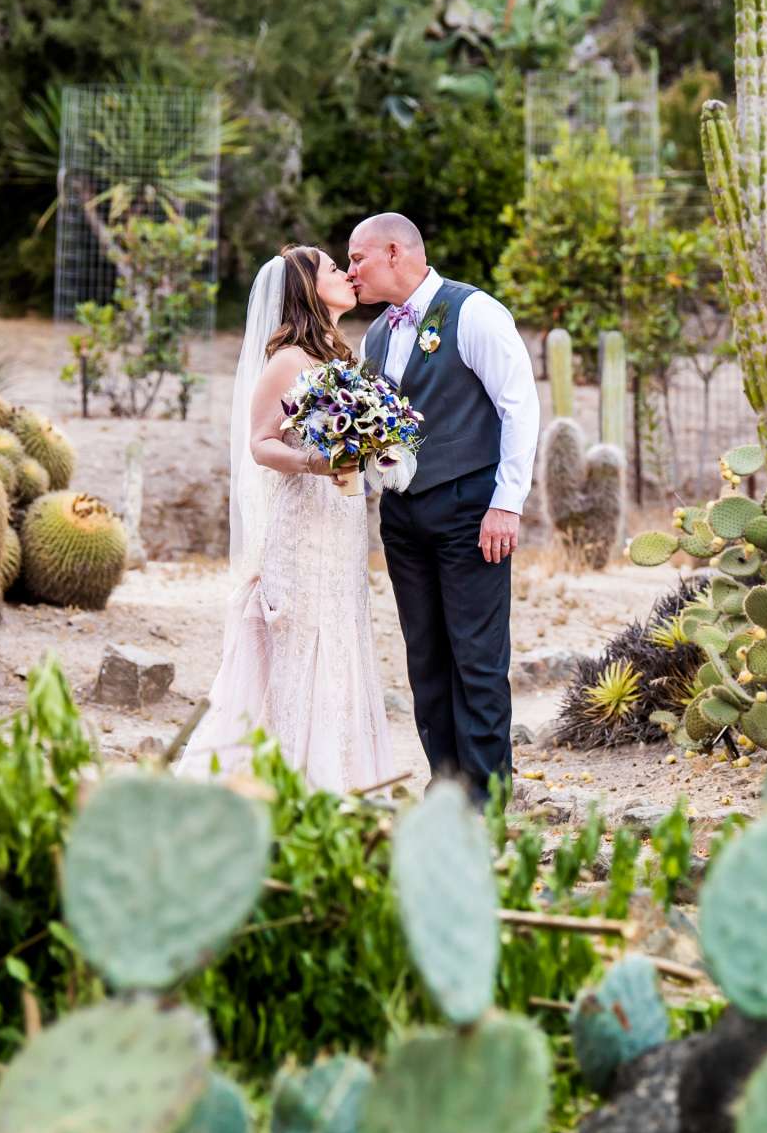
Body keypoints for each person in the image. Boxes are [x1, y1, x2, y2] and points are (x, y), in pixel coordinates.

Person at [176, 245, 397, 792]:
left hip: (341, 529)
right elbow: (259, 444)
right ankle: (289, 786)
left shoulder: (339, 360)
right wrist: (313, 462)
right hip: (301, 529)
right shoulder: (288, 361)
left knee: (341, 640)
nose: (346, 272)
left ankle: (341, 783)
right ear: (305, 288)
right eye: (331, 267)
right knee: (301, 645)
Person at [345, 212, 539, 799]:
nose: (351, 270)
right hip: (403, 518)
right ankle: (447, 789)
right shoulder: (376, 335)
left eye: (358, 258)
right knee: (425, 656)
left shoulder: (474, 311)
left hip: (471, 513)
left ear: (396, 252)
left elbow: (519, 407)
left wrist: (506, 504)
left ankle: (488, 800)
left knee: (476, 658)